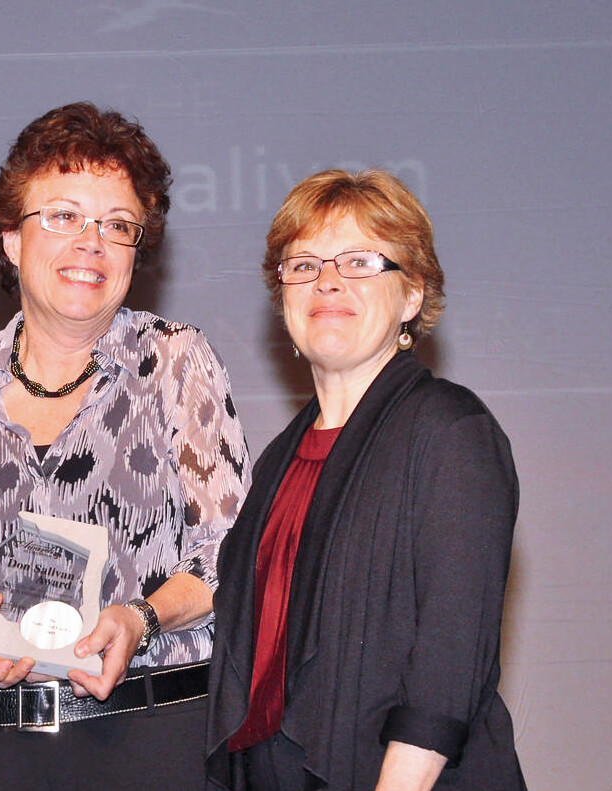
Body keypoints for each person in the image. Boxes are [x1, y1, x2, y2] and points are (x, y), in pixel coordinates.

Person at [0, 102, 251, 790]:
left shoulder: (175, 362)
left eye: (117, 225)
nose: (91, 242)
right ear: (9, 236)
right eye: (64, 216)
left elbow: (230, 552)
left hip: (150, 742)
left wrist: (140, 616)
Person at [206, 169, 525, 790]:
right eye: (303, 265)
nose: (327, 281)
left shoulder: (451, 431)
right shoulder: (278, 461)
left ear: (411, 297)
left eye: (359, 261)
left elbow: (449, 656)